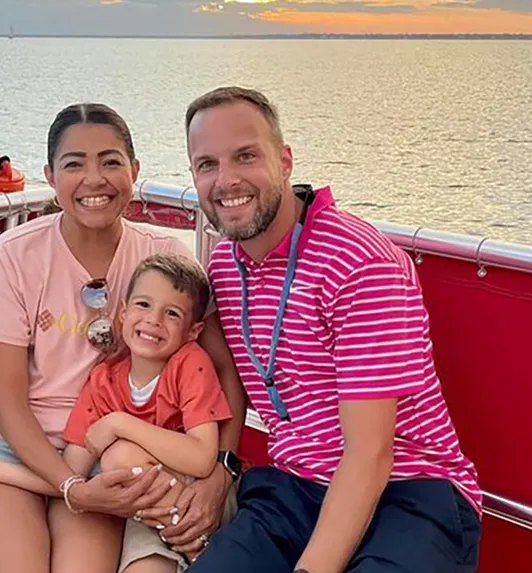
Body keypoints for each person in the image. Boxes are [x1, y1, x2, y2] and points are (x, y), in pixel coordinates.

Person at [143, 86, 484, 572]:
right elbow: (229, 373)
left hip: (409, 490)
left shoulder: (357, 262)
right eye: (207, 165)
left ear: (284, 161)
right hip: (296, 487)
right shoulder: (224, 264)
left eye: (245, 156)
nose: (227, 180)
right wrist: (223, 468)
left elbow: (371, 454)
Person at [0, 102, 246, 573]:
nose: (94, 179)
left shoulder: (162, 258)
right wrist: (69, 487)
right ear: (50, 176)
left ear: (135, 170)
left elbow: (223, 370)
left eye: (111, 161)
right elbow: (8, 406)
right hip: (0, 447)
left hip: (99, 454)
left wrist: (222, 471)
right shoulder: (12, 258)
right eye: (74, 164)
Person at [0, 252, 233, 572]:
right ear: (123, 314)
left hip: (187, 500)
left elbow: (201, 458)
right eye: (143, 306)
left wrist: (119, 423)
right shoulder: (105, 382)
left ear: (193, 331)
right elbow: (70, 476)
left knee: (120, 457)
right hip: (140, 517)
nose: (153, 320)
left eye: (171, 313)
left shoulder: (191, 364)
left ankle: (197, 546)